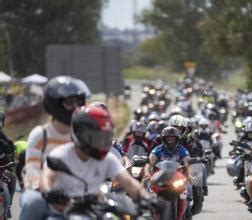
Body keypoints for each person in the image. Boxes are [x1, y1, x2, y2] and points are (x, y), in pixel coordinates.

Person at [20, 106, 153, 219]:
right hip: (62, 211)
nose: (102, 141)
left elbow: (128, 182)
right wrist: (50, 192)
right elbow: (47, 176)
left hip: (93, 210)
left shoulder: (107, 159)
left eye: (105, 136)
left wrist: (147, 197)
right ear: (80, 134)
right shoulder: (62, 154)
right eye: (97, 136)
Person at [21, 76, 90, 212]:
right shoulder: (41, 134)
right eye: (70, 101)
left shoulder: (83, 135)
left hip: (75, 193)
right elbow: (33, 168)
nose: (76, 106)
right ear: (54, 103)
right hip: (41, 192)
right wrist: (48, 191)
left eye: (79, 101)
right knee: (33, 202)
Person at [0, 111, 16, 217]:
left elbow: (10, 157)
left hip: (1, 170)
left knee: (12, 177)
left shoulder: (6, 142)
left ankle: (8, 206)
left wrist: (8, 164)